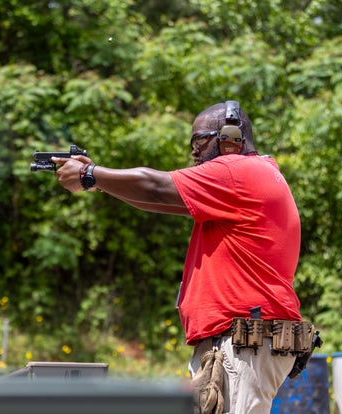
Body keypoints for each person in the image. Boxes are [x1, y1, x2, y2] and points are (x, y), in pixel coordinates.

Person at [52, 101, 305, 414]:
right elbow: (160, 201)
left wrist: (91, 174)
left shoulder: (236, 171)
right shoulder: (252, 175)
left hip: (243, 341)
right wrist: (99, 180)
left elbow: (156, 187)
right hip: (240, 340)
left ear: (229, 137)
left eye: (200, 141)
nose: (194, 152)